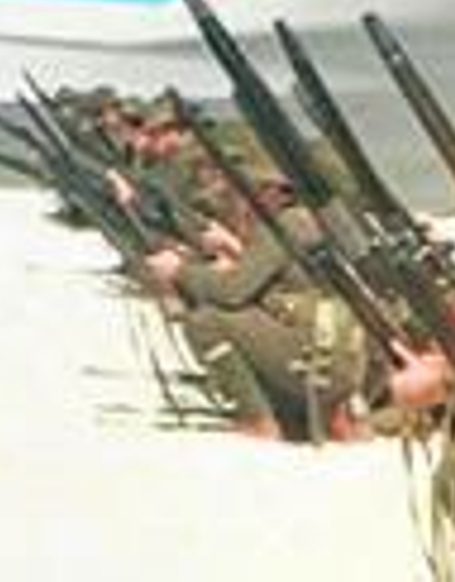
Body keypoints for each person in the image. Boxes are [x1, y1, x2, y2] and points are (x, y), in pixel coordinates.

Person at [144, 158, 366, 441]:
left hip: (319, 359)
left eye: (254, 190)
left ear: (277, 193)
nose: (245, 200)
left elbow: (233, 292)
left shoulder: (286, 224)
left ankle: (257, 420)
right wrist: (232, 248)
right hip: (338, 356)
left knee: (205, 322)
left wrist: (179, 270)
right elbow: (284, 280)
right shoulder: (309, 221)